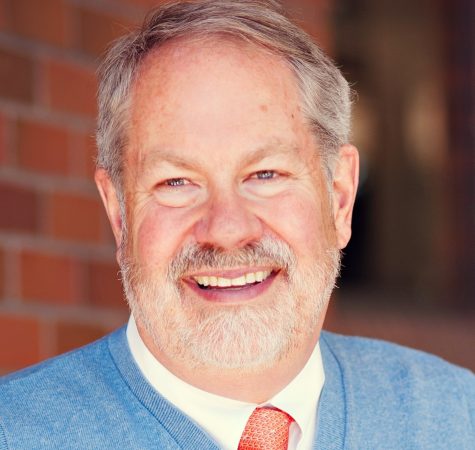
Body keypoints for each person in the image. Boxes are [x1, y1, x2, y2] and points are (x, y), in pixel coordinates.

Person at [0, 1, 473, 449]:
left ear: (339, 199)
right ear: (119, 213)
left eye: (265, 174)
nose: (226, 229)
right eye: (177, 181)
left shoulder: (457, 417)